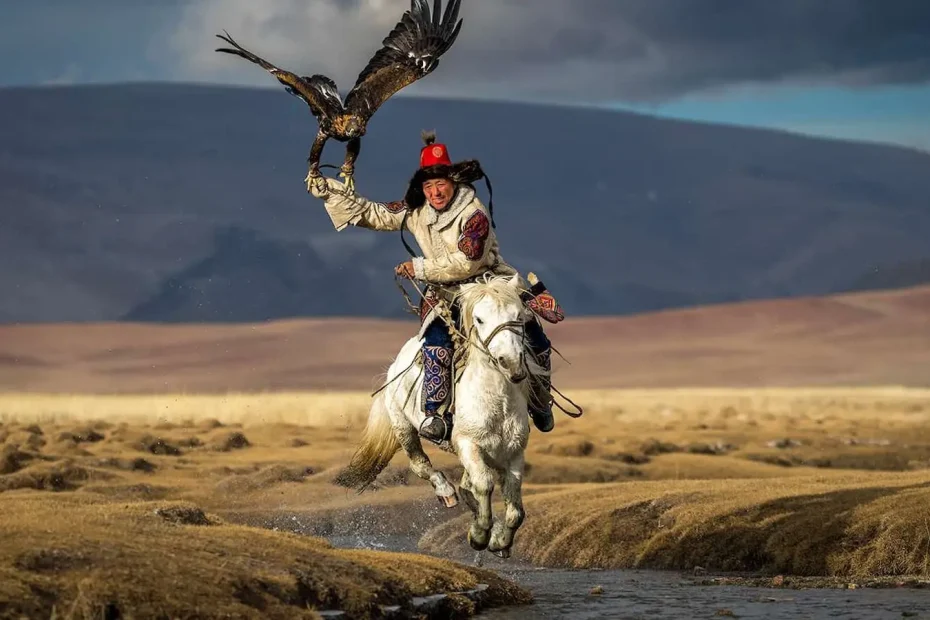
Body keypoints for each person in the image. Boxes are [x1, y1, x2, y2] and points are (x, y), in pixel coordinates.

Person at [307, 130, 556, 444]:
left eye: (440, 184)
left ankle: (540, 402)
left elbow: (469, 261)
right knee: (436, 343)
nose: (435, 192)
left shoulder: (474, 214)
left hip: (488, 283)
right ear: (421, 188)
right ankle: (434, 413)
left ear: (453, 182)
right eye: (428, 185)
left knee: (534, 337)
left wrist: (419, 267)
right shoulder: (416, 210)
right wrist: (330, 191)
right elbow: (375, 214)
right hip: (446, 293)